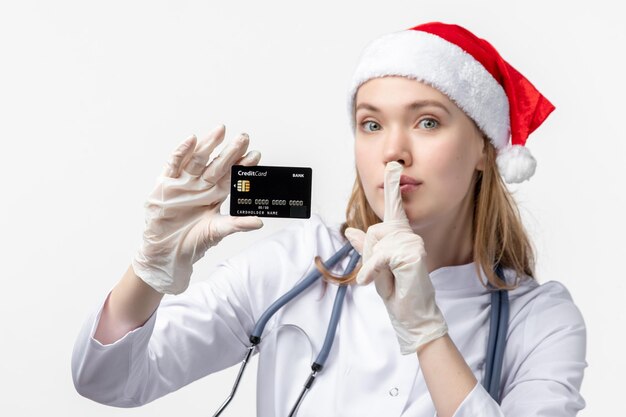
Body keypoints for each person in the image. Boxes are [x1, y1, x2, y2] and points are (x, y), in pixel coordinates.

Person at [71, 22, 587, 417]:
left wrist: (427, 332)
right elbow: (108, 379)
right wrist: (150, 269)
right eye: (371, 123)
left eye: (427, 121)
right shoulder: (296, 263)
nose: (393, 151)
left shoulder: (539, 319)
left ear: (484, 147)